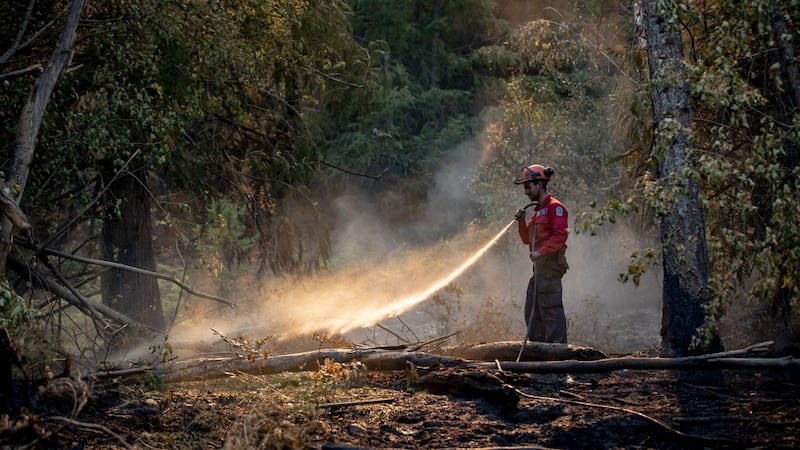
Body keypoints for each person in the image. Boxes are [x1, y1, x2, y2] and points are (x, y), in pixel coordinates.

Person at [513, 164, 569, 343]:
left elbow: (560, 236)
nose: (526, 192)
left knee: (551, 309)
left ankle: (558, 354)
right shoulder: (537, 212)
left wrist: (541, 253)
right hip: (539, 270)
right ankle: (539, 350)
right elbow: (526, 239)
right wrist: (521, 222)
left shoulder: (555, 208)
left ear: (539, 184)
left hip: (551, 267)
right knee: (532, 310)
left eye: (528, 187)